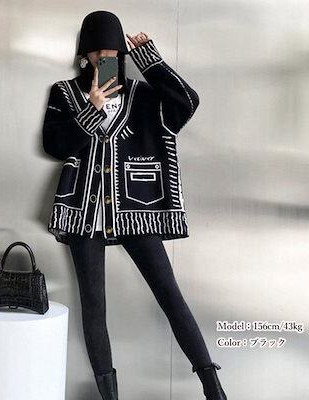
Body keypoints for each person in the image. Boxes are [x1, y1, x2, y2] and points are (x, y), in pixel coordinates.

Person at [42, 10, 227, 400]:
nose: (105, 59)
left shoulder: (144, 97)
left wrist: (151, 62)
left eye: (112, 52)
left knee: (170, 295)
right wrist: (90, 110)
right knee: (94, 306)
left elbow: (186, 103)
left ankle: (213, 387)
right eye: (98, 53)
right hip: (83, 214)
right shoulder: (64, 92)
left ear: (122, 55)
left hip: (137, 211)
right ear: (84, 55)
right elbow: (54, 145)